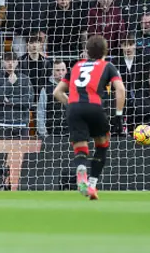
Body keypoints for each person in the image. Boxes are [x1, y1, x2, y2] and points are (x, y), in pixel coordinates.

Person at [53, 36, 126, 200]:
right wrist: (118, 115)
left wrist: (71, 103)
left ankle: (81, 169)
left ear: (87, 51)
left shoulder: (76, 66)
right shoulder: (107, 66)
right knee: (102, 143)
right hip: (94, 107)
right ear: (105, 51)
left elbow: (57, 92)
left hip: (74, 108)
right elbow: (120, 89)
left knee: (80, 147)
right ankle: (92, 184)